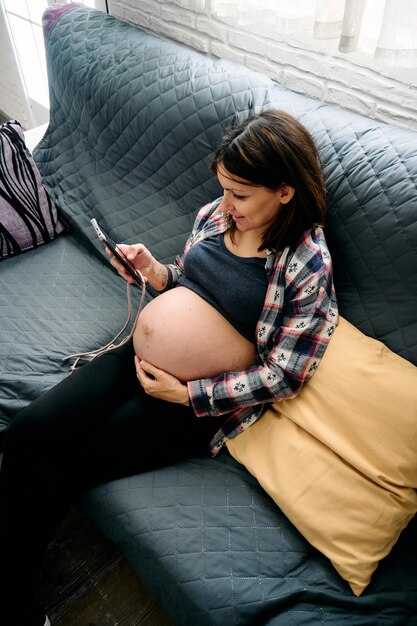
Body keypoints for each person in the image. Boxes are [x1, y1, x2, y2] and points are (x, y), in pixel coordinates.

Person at [0, 109, 338, 626]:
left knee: (61, 467)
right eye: (223, 190)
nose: (226, 206)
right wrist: (155, 271)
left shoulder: (307, 263)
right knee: (27, 431)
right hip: (135, 358)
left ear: (285, 191)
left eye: (241, 195)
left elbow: (287, 373)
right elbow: (189, 284)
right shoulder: (217, 217)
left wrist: (189, 398)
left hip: (192, 408)